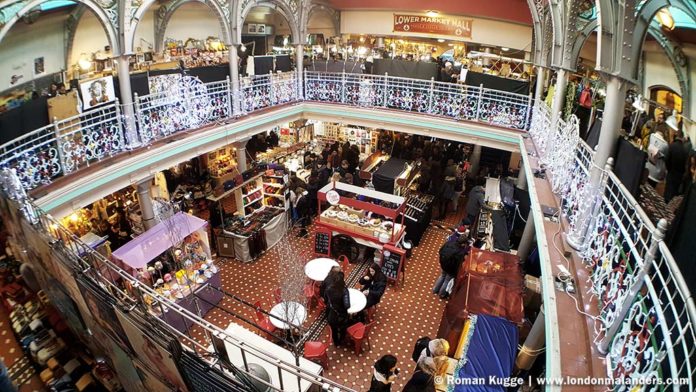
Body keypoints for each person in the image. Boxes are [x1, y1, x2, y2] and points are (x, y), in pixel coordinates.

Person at [325, 273, 350, 345]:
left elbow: (326, 298)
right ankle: (341, 339)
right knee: (343, 329)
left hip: (332, 314)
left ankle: (336, 342)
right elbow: (347, 305)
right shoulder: (344, 291)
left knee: (334, 330)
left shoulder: (329, 289)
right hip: (342, 316)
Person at [665, 131, 688, 202]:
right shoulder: (685, 150)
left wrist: (669, 169)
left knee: (667, 193)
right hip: (679, 176)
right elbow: (685, 165)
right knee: (673, 196)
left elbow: (667, 159)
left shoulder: (672, 146)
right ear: (682, 138)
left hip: (671, 173)